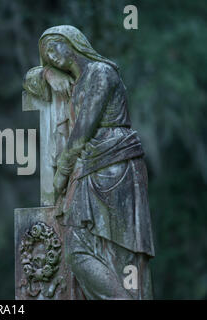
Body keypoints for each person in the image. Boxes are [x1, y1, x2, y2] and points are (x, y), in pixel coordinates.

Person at [38, 25, 155, 299]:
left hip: (116, 167)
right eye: (46, 54)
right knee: (77, 248)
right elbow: (30, 83)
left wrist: (61, 174)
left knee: (118, 251)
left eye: (55, 45)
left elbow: (83, 131)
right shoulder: (76, 82)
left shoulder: (101, 72)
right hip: (91, 168)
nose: (52, 55)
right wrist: (46, 73)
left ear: (74, 41)